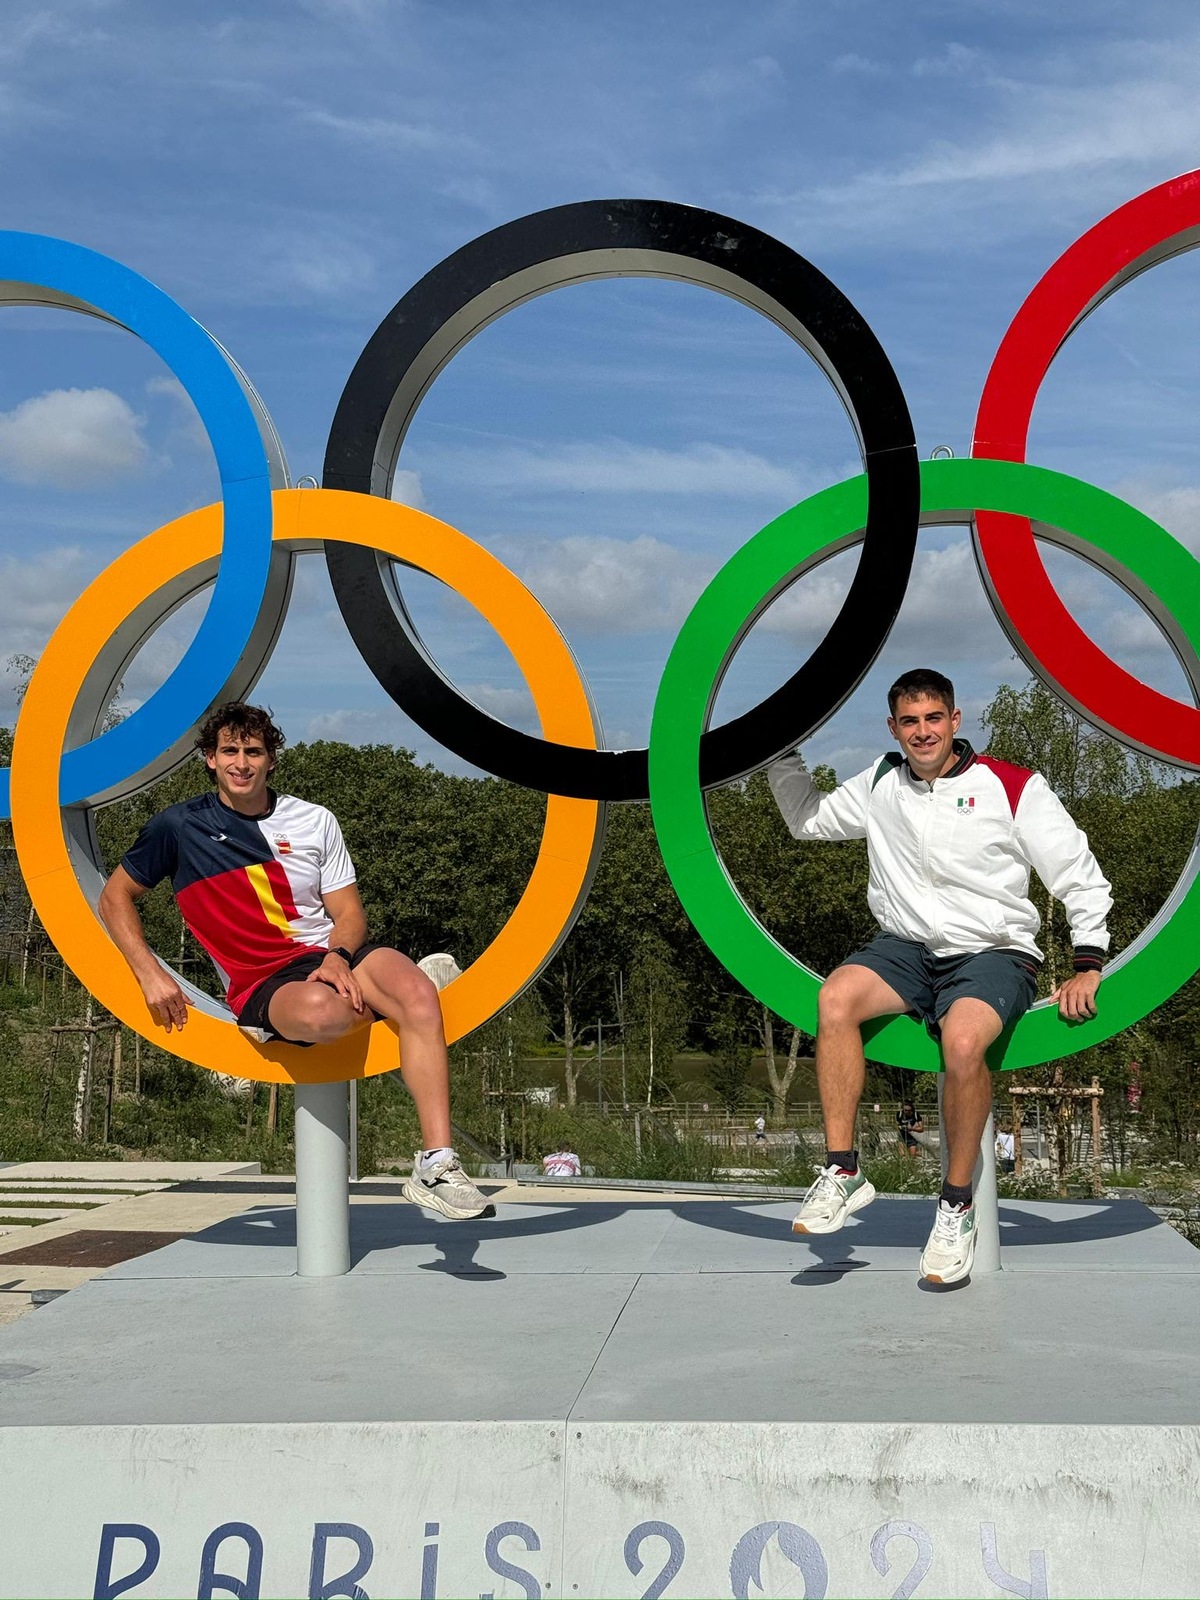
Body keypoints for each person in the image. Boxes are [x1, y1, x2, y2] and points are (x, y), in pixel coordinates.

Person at [769, 668, 1110, 1284]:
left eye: (933, 718)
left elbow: (1077, 872)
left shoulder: (1011, 786)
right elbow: (808, 820)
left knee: (961, 1044)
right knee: (836, 999)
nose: (922, 732)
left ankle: (955, 1208)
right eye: (909, 721)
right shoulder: (880, 781)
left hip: (992, 951)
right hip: (904, 948)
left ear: (955, 721)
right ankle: (843, 1171)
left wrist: (1088, 961)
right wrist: (779, 753)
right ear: (893, 728)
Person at [98, 701, 493, 1222]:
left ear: (272, 759)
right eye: (230, 751)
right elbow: (113, 898)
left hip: (336, 955)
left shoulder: (314, 820)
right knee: (322, 1014)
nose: (242, 762)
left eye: (254, 751)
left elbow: (349, 913)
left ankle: (437, 1165)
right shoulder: (179, 826)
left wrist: (337, 956)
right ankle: (398, 1005)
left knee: (416, 994)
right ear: (210, 760)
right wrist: (149, 975)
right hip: (262, 979)